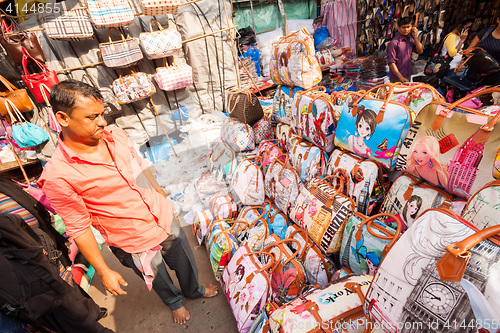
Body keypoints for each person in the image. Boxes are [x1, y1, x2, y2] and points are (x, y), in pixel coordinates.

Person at [37, 80, 218, 325]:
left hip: (160, 215)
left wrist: (160, 197)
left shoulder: (116, 136)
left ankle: (193, 289)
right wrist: (104, 270)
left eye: (102, 114)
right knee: (158, 276)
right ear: (63, 118)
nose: (102, 122)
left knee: (184, 259)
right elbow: (78, 226)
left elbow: (141, 168)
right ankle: (175, 302)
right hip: (131, 239)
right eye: (92, 117)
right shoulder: (58, 176)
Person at [387, 16, 424, 82]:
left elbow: (420, 51)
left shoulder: (410, 40)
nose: (406, 29)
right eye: (403, 27)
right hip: (397, 79)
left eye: (408, 27)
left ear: (411, 27)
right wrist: (400, 77)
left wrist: (415, 36)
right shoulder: (393, 43)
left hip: (408, 76)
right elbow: (391, 63)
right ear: (399, 28)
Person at [466, 14, 500, 85]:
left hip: (492, 78)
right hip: (474, 73)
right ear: (498, 20)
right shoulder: (486, 33)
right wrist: (474, 53)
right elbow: (468, 51)